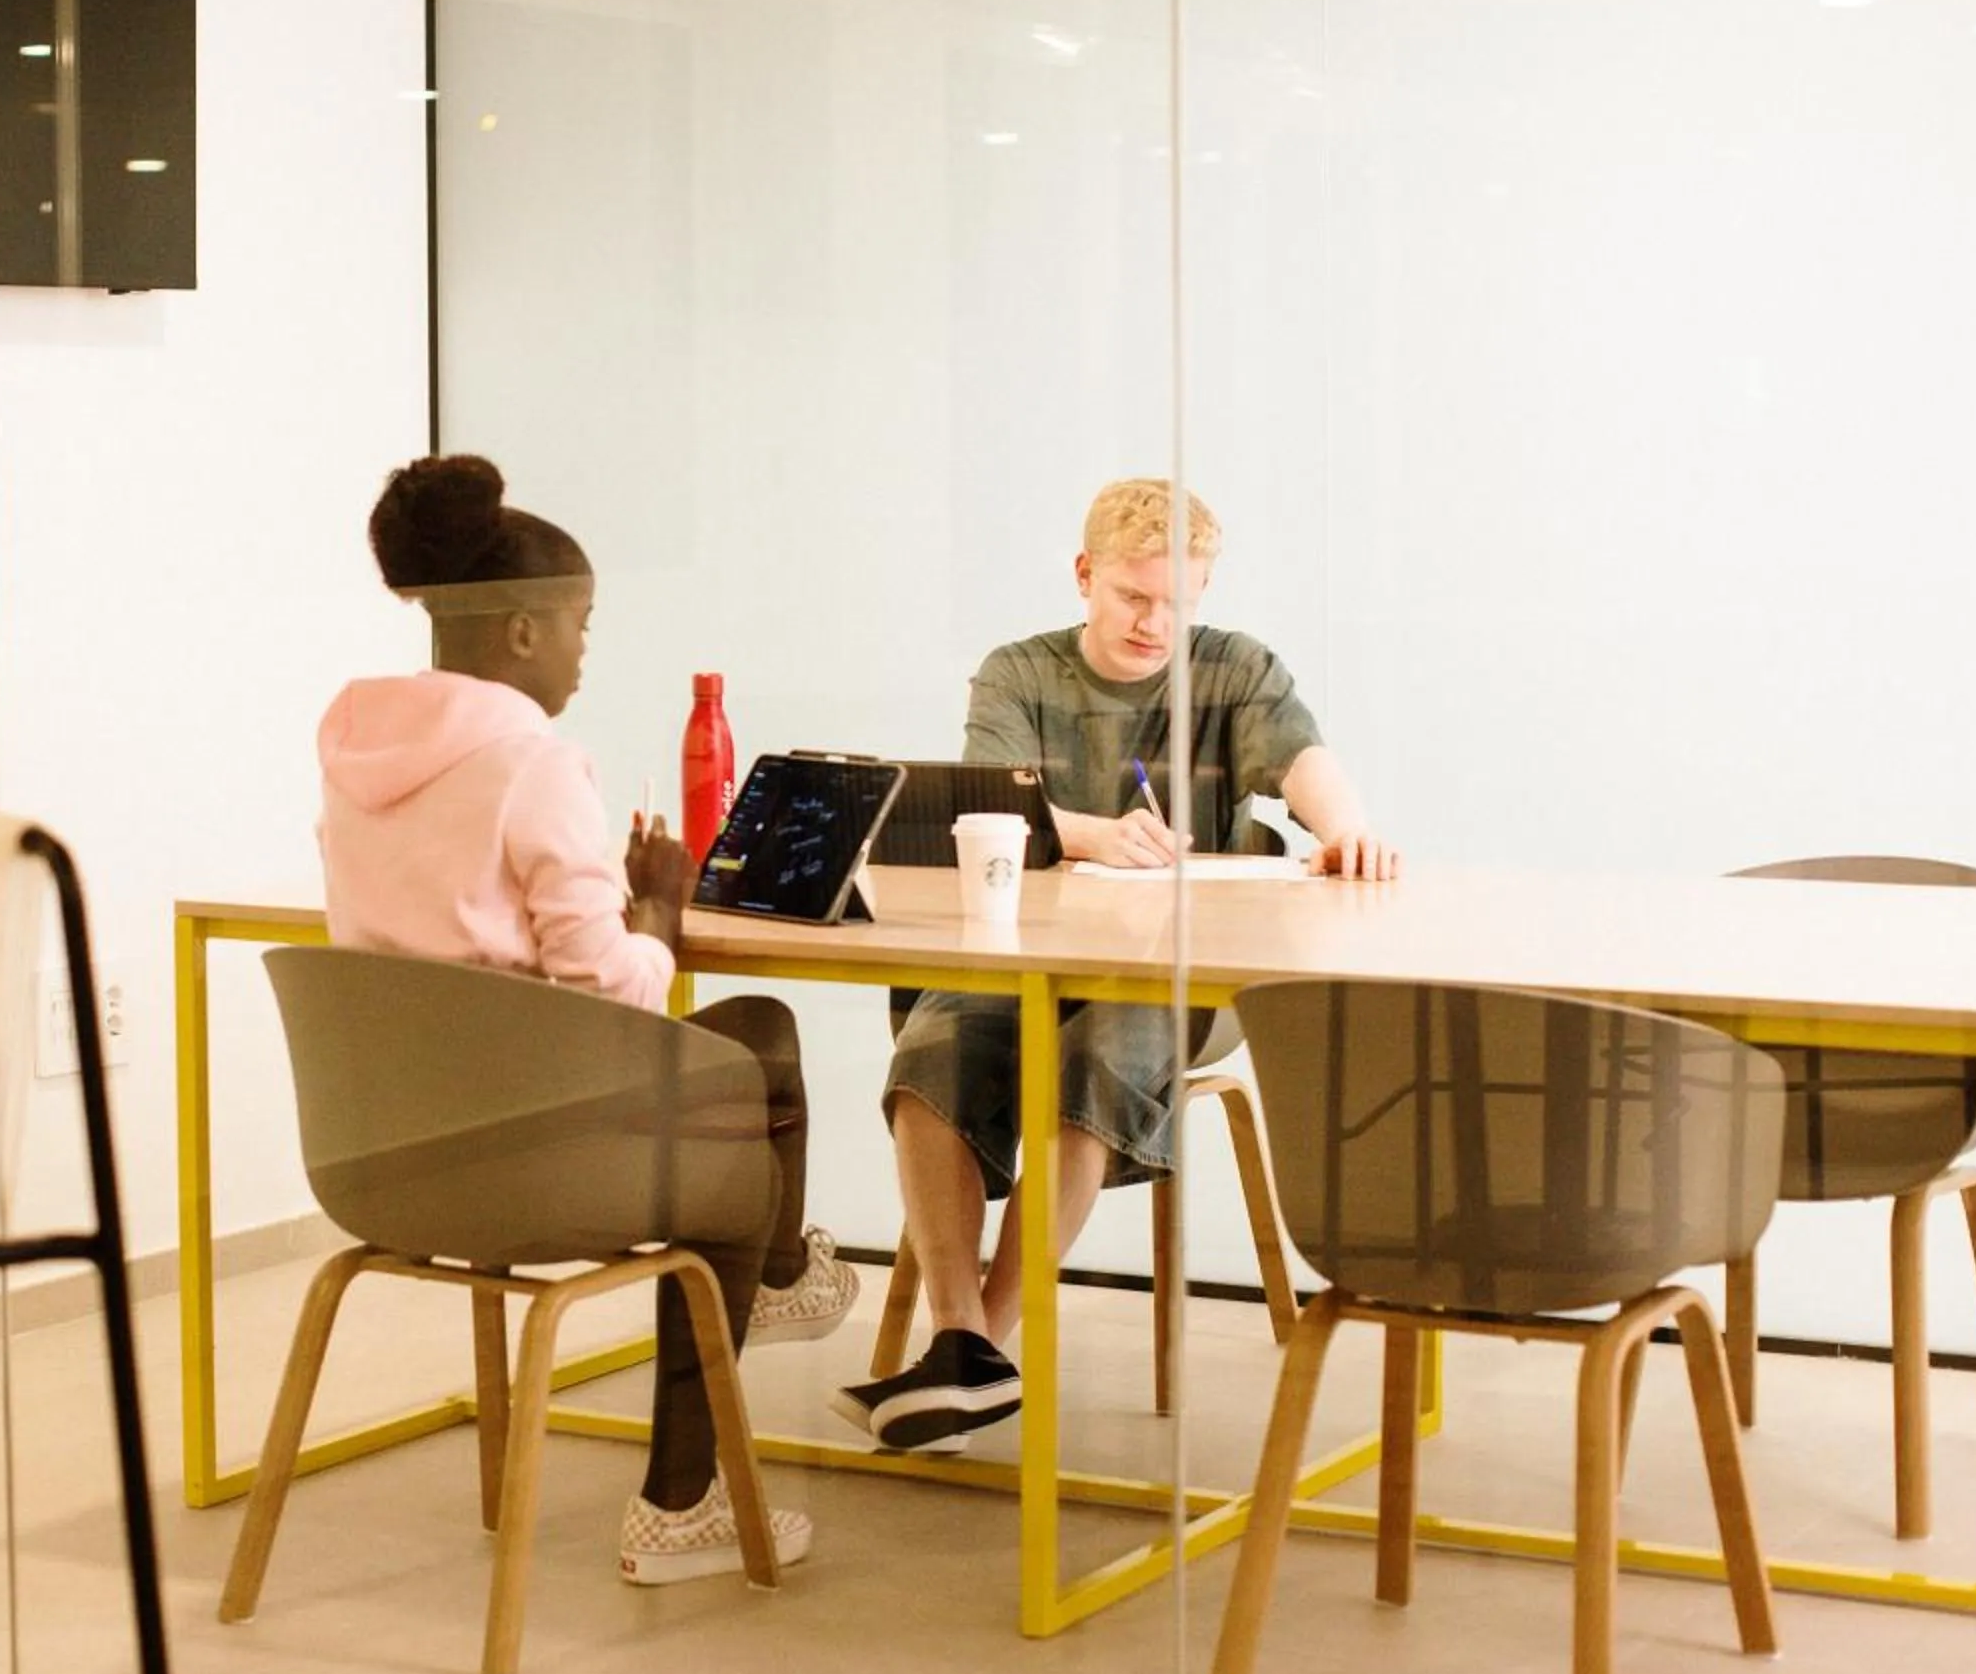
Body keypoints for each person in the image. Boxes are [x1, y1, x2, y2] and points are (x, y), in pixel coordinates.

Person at [317, 452, 859, 1582]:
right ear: (521, 632)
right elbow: (608, 986)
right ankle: (683, 1491)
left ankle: (773, 1278)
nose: (582, 650)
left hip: (393, 1157)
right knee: (743, 1111)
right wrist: (654, 905)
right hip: (533, 1163)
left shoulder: (352, 755)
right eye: (580, 624)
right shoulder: (530, 762)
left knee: (752, 1029)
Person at [831, 478, 1401, 1452]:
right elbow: (989, 805)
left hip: (1178, 979)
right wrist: (1097, 834)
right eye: (1136, 596)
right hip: (1025, 954)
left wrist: (1346, 828)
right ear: (1086, 574)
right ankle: (961, 1347)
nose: (1157, 622)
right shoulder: (1019, 673)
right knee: (931, 1050)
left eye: (1181, 599)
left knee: (1092, 1056)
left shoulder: (1231, 669)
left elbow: (1304, 758)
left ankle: (976, 1351)